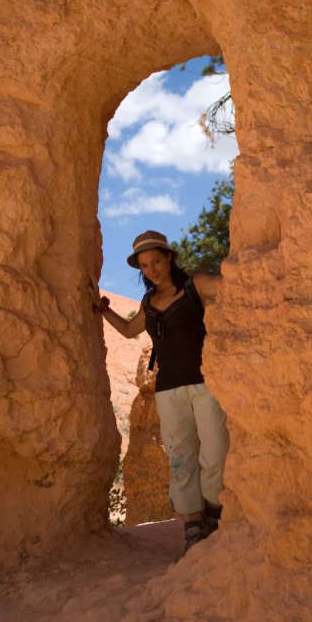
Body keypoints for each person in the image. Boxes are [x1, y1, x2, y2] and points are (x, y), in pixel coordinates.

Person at [89, 230, 230, 552]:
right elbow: (128, 331)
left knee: (215, 454)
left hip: (205, 384)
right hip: (168, 390)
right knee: (180, 459)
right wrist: (102, 309)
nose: (151, 270)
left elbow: (236, 283)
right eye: (144, 265)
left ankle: (214, 511)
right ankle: (193, 524)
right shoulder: (148, 302)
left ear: (169, 258)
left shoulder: (195, 286)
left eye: (155, 261)